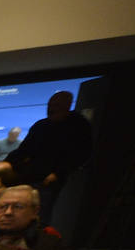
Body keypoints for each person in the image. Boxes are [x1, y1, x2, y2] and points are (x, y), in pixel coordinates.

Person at [7, 91, 93, 223]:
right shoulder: (41, 125)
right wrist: (6, 165)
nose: (51, 108)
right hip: (28, 178)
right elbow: (24, 150)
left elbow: (81, 154)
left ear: (67, 106)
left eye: (57, 105)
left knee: (40, 216)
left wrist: (58, 173)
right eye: (50, 104)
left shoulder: (79, 125)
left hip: (49, 181)